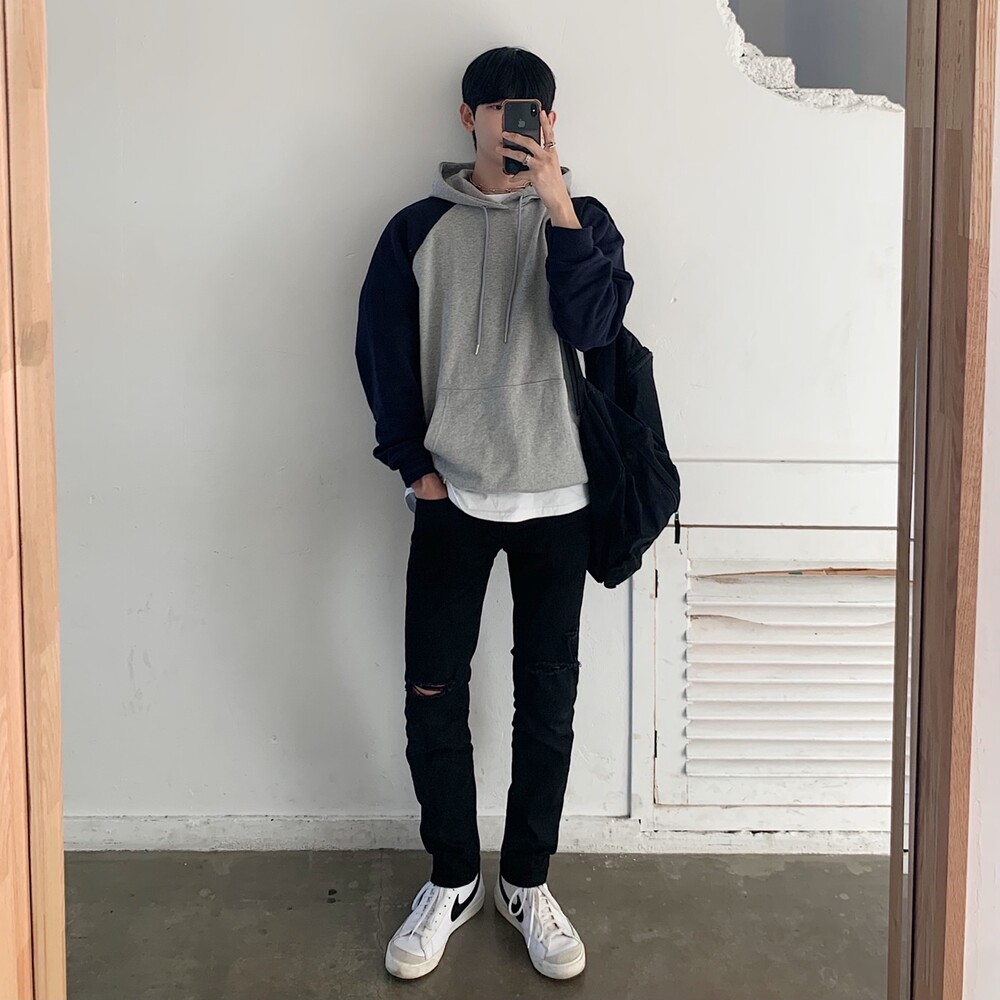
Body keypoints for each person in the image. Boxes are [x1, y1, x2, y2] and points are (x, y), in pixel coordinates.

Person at [354, 45, 634, 981]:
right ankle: (452, 878)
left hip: (560, 497)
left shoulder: (584, 220)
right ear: (468, 116)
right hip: (454, 498)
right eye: (504, 110)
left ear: (551, 125)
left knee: (546, 700)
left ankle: (526, 880)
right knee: (432, 693)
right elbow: (382, 353)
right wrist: (414, 468)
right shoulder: (415, 228)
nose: (520, 127)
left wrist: (557, 207)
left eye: (536, 115)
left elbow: (594, 329)